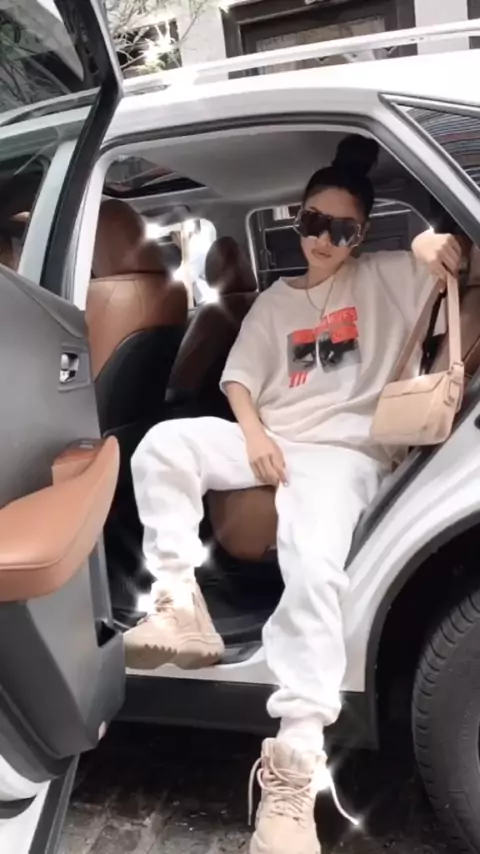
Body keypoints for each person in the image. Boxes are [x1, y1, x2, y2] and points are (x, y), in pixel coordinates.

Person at [123, 135, 464, 854]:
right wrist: (252, 435)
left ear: (361, 235)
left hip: (344, 455)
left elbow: (454, 256)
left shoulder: (387, 275)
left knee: (313, 570)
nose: (324, 240)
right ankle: (179, 602)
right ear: (297, 219)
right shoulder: (274, 301)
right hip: (273, 440)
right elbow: (239, 380)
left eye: (343, 230)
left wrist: (430, 243)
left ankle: (295, 769)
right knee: (161, 446)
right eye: (313, 222)